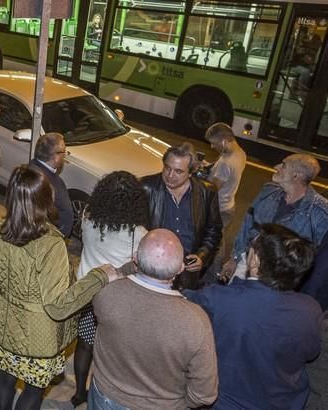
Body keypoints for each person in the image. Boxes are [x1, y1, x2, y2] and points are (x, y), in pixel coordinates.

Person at [0, 165, 115, 410]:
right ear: (46, 199)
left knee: (5, 379)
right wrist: (98, 277)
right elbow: (58, 306)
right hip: (39, 336)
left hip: (5, 324)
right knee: (33, 390)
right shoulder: (50, 244)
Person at [185, 224, 321, 409]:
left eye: (251, 247)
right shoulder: (311, 309)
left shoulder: (217, 299)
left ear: (255, 261)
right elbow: (311, 353)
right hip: (285, 403)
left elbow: (176, 305)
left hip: (226, 402)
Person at [90, 228, 218, 409]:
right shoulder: (196, 321)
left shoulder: (106, 293)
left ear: (134, 258)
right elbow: (204, 394)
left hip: (104, 396)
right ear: (181, 268)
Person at [70, 171, 150, 407]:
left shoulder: (88, 216)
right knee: (108, 352)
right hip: (116, 301)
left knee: (84, 345)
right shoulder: (139, 234)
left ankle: (78, 392)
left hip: (85, 292)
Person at [222, 154, 328, 281]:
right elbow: (247, 225)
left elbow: (315, 259)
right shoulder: (268, 191)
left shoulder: (320, 213)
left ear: (296, 176)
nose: (276, 167)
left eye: (283, 165)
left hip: (280, 279)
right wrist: (234, 258)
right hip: (248, 264)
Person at [142, 142, 222, 290]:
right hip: (154, 272)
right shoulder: (146, 187)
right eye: (167, 168)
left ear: (191, 172)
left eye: (178, 171)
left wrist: (202, 256)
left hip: (187, 276)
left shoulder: (207, 192)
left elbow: (214, 230)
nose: (170, 175)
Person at [202, 122, 246, 280]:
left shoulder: (227, 163)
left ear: (223, 141)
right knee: (220, 238)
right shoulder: (239, 152)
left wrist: (199, 176)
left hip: (219, 208)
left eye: (213, 143)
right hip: (229, 204)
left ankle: (214, 276)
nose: (212, 147)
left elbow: (212, 188)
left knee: (215, 243)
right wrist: (210, 167)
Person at [29, 132, 73, 237]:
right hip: (48, 239)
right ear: (55, 157)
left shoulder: (31, 168)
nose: (65, 155)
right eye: (64, 152)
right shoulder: (47, 182)